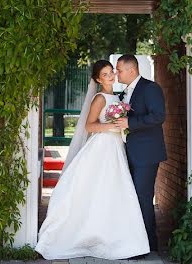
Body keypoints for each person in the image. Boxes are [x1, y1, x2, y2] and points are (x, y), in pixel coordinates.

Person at [35, 60, 150, 260]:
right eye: (105, 74)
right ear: (98, 79)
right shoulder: (99, 98)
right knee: (98, 188)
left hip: (115, 148)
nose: (110, 76)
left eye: (111, 72)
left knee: (115, 191)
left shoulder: (117, 96)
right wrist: (111, 127)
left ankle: (118, 238)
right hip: (102, 147)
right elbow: (89, 126)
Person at [113, 54, 167, 253]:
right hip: (129, 151)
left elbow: (158, 116)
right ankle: (135, 243)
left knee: (143, 198)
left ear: (132, 70)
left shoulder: (150, 88)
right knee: (132, 197)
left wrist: (130, 123)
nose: (116, 73)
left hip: (147, 153)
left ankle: (147, 246)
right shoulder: (125, 92)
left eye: (119, 70)